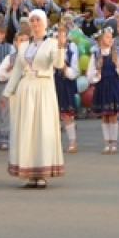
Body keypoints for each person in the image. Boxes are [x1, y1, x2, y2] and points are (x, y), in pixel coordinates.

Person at [3, 10, 64, 188]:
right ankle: (30, 171)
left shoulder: (52, 44)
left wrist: (61, 47)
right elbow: (17, 71)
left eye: (38, 20)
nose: (35, 23)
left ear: (44, 23)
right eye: (32, 20)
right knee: (27, 130)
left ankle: (42, 172)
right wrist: (7, 92)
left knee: (41, 128)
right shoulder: (23, 46)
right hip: (26, 88)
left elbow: (58, 64)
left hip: (43, 88)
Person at [88, 26, 119, 154]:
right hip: (102, 86)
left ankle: (114, 142)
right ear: (100, 40)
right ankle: (107, 142)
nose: (110, 39)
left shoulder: (117, 52)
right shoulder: (96, 54)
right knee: (105, 115)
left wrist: (118, 65)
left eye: (111, 37)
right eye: (107, 37)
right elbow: (90, 75)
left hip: (114, 85)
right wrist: (97, 73)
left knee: (113, 115)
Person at [52, 21, 80, 153]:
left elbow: (74, 71)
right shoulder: (51, 48)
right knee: (52, 115)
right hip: (52, 82)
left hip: (65, 83)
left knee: (66, 114)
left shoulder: (71, 48)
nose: (59, 38)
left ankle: (72, 141)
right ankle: (54, 144)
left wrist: (64, 67)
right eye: (57, 35)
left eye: (62, 35)